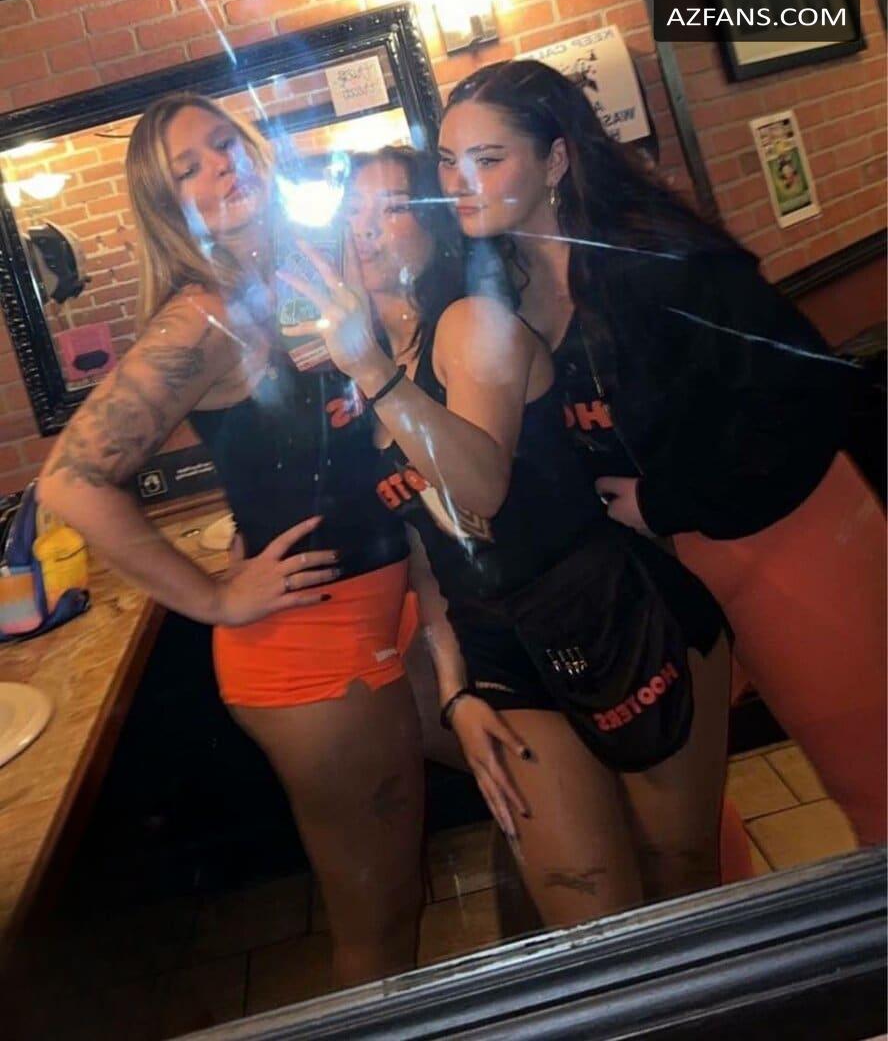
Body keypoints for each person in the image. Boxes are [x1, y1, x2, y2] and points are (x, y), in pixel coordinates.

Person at [437, 59, 886, 848]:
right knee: (686, 824)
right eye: (447, 162)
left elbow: (808, 398)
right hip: (658, 584)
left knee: (872, 781)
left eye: (487, 158)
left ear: (555, 158)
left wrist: (662, 501)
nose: (459, 184)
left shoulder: (661, 261)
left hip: (787, 538)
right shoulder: (497, 289)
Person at [282, 145, 732, 929]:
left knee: (681, 874)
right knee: (590, 910)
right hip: (498, 644)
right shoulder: (360, 367)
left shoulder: (469, 323)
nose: (366, 228)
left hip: (613, 611)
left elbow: (481, 486)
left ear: (438, 227)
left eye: (393, 207)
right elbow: (427, 553)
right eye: (353, 210)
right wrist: (455, 690)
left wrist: (373, 372)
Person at [36, 94, 427, 987]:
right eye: (190, 169)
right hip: (309, 646)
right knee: (379, 922)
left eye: (224, 144)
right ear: (169, 208)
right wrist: (214, 596)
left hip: (386, 607)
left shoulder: (300, 273)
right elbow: (69, 481)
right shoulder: (201, 317)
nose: (220, 167)